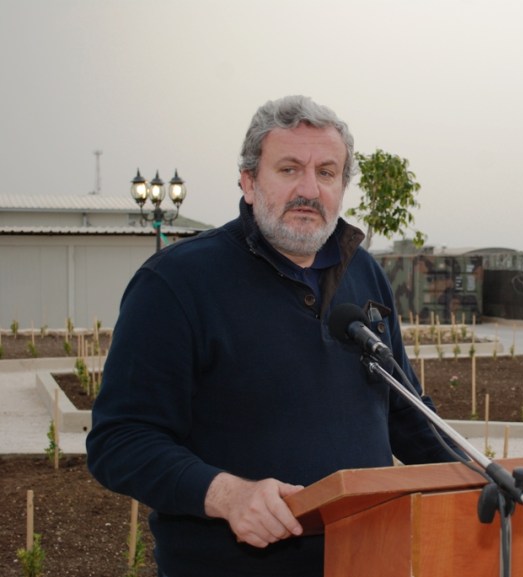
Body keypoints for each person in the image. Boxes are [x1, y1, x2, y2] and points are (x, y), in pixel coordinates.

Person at [87, 95, 460, 577]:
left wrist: (474, 477)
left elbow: (404, 411)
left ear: (342, 187)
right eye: (289, 169)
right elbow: (120, 441)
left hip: (367, 557)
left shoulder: (364, 272)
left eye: (327, 173)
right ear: (248, 181)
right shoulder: (176, 283)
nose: (309, 189)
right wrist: (227, 494)